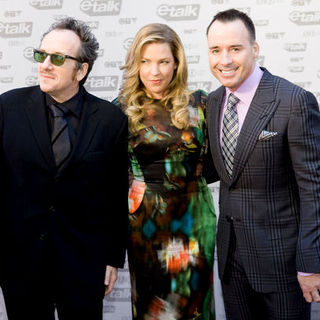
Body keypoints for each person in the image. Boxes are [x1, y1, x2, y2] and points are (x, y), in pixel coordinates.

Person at [0, 17, 128, 320]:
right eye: (41, 55)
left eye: (57, 58)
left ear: (81, 70)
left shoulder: (110, 120)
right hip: (21, 260)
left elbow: (114, 196)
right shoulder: (7, 108)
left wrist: (112, 258)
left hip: (83, 262)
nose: (45, 64)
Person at [204, 8, 320, 320]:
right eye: (216, 50)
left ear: (254, 49)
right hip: (231, 263)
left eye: (235, 49)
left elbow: (314, 190)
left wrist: (311, 262)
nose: (224, 60)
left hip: (283, 266)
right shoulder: (213, 102)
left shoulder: (293, 101)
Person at [113, 23, 216, 320]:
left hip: (193, 227)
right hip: (144, 229)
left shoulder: (200, 104)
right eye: (145, 62)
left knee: (193, 308)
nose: (154, 72)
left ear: (177, 63)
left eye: (163, 61)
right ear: (136, 65)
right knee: (152, 311)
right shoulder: (120, 110)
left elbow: (216, 164)